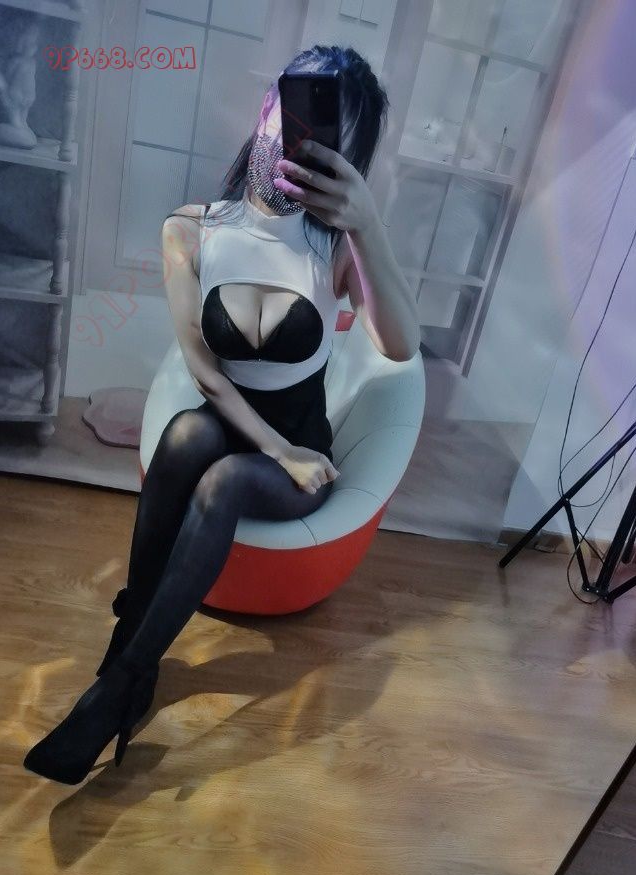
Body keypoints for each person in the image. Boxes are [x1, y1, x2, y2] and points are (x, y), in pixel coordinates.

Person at [23, 45, 416, 785]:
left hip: (300, 455)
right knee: (185, 436)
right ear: (267, 109)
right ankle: (129, 654)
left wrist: (367, 226)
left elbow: (399, 345)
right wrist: (271, 445)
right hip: (243, 431)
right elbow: (204, 370)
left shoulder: (336, 249)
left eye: (330, 129)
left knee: (225, 480)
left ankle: (117, 687)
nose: (301, 135)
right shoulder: (191, 230)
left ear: (351, 151)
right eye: (291, 110)